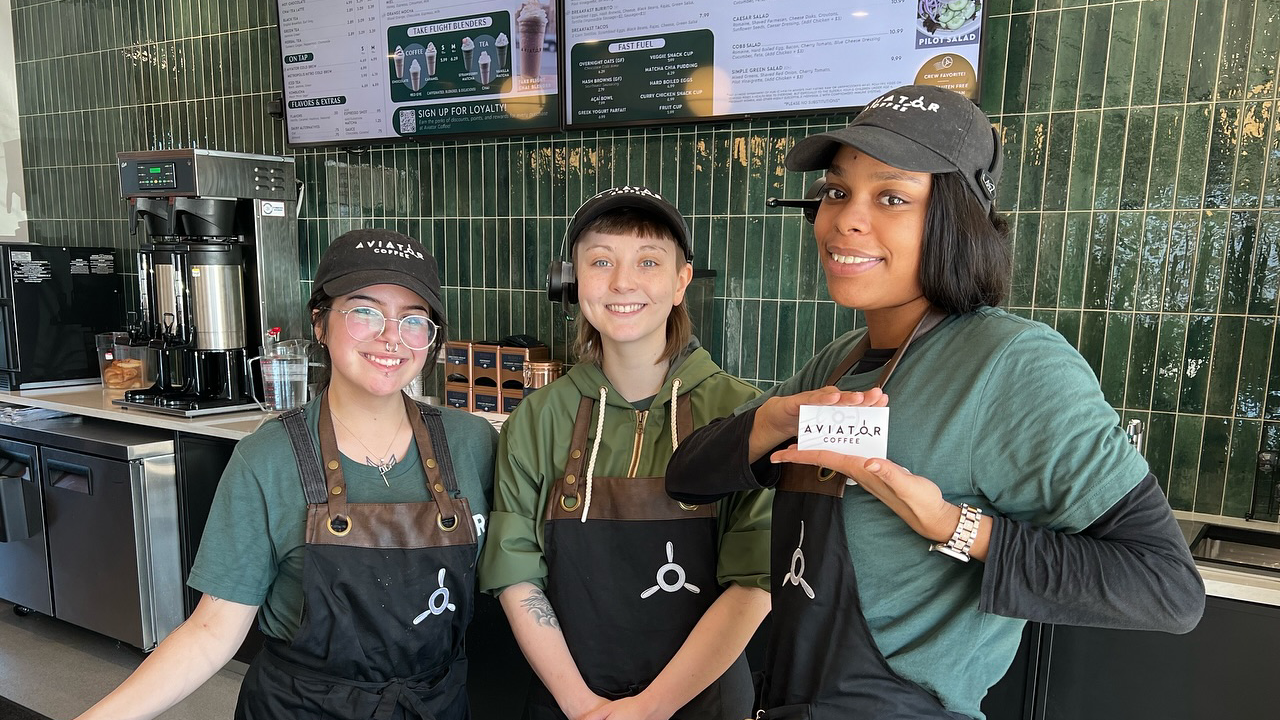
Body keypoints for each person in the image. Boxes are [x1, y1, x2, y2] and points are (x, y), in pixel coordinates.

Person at [665, 85, 1205, 720]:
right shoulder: (841, 360)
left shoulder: (1012, 365)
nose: (845, 220)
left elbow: (1167, 589)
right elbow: (688, 478)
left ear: (957, 220)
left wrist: (955, 528)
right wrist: (773, 419)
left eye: (891, 197)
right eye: (837, 191)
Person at [75, 229, 497, 720]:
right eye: (365, 312)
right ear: (320, 322)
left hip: (434, 707)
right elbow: (212, 632)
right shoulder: (266, 459)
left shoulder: (473, 443)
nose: (391, 337)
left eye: (413, 320)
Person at [478, 187, 773, 720]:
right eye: (600, 261)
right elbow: (516, 573)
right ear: (571, 281)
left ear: (682, 280)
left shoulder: (743, 416)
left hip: (701, 702)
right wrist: (583, 706)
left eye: (647, 261)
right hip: (569, 702)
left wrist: (649, 710)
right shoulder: (538, 419)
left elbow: (755, 583)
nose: (622, 282)